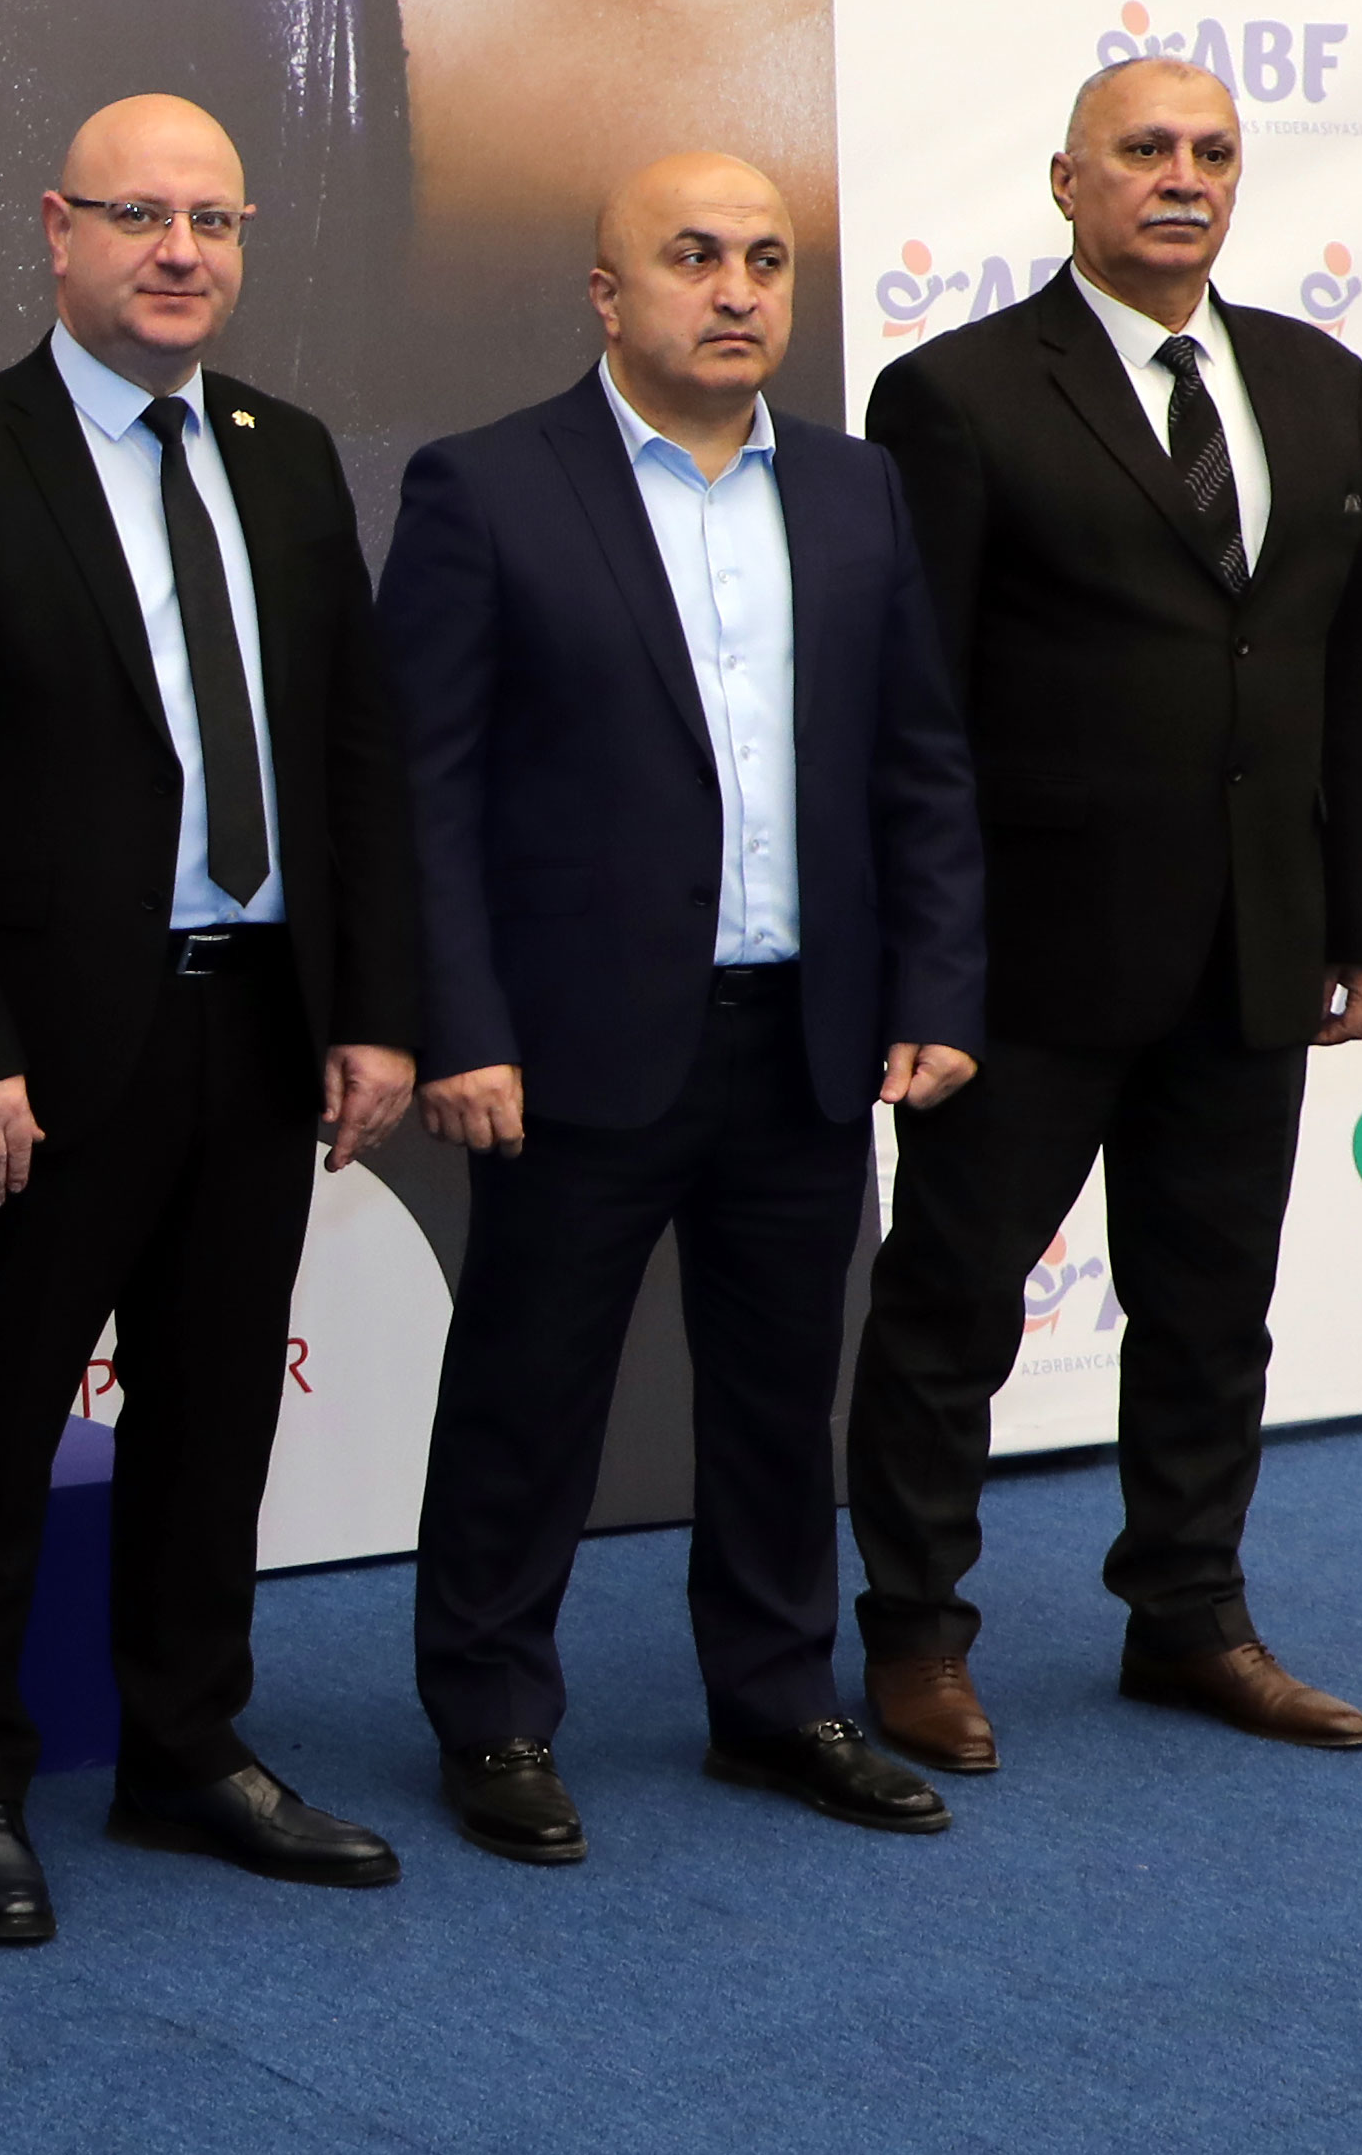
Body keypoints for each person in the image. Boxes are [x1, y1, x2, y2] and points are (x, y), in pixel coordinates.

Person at [0, 92, 424, 1945]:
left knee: (213, 1410)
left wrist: (374, 1006)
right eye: (142, 217)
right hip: (41, 1053)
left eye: (215, 222)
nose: (182, 252)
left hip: (256, 1022)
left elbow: (352, 752)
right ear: (58, 230)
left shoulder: (289, 454)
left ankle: (184, 1747)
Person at [384, 155, 986, 1864]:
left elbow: (920, 763)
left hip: (808, 1034)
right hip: (570, 1043)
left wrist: (938, 981)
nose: (736, 290)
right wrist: (460, 1023)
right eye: (695, 256)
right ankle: (493, 1713)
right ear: (607, 291)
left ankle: (778, 1699)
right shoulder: (486, 486)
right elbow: (423, 791)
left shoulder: (858, 489)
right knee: (529, 1394)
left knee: (784, 1395)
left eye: (767, 260)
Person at [840, 58, 1362, 1769]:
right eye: (1145, 149)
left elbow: (1355, 659)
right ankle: (916, 1637)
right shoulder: (953, 393)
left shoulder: (1317, 380)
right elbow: (913, 707)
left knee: (1212, 1307)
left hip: (1255, 939)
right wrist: (924, 960)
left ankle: (1189, 1617)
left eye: (1212, 151)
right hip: (1026, 959)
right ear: (1067, 181)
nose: (1183, 177)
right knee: (952, 1310)